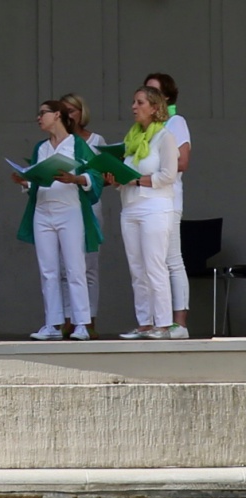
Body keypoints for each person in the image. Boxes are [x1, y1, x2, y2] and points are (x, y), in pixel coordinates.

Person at [13, 100, 101, 341]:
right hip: (43, 211)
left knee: (75, 268)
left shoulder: (77, 144)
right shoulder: (41, 148)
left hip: (69, 210)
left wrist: (75, 179)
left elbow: (94, 175)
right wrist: (25, 181)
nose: (39, 118)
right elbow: (38, 179)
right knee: (48, 270)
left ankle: (81, 323)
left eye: (43, 113)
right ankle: (52, 323)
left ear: (58, 115)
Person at [106, 87, 178, 339]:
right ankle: (144, 323)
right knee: (137, 268)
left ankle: (163, 324)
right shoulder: (131, 138)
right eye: (133, 102)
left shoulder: (165, 137)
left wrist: (135, 180)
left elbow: (169, 175)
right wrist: (115, 177)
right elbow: (126, 177)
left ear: (155, 108)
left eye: (140, 102)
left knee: (155, 265)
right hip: (130, 208)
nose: (134, 107)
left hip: (155, 207)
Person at [145, 72, 191, 338]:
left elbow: (182, 162)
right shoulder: (143, 128)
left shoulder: (176, 122)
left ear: (165, 97)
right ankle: (157, 322)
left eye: (153, 92)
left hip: (169, 200)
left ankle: (180, 323)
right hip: (147, 203)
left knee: (172, 260)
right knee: (152, 263)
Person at [60, 93, 107, 336]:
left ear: (82, 113)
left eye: (73, 110)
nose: (69, 115)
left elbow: (101, 178)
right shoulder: (59, 141)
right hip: (64, 207)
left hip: (88, 206)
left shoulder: (96, 140)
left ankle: (89, 319)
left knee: (88, 266)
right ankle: (69, 317)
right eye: (64, 110)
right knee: (65, 267)